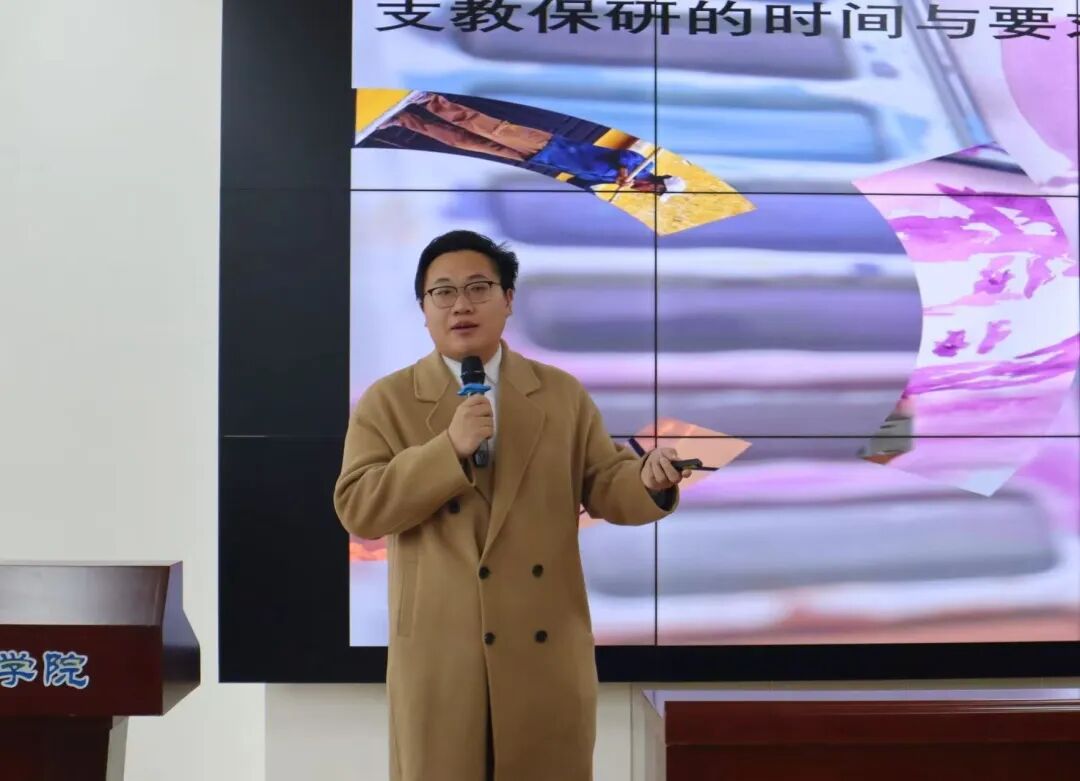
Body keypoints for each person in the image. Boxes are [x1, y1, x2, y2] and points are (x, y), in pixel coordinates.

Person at [333, 230, 690, 781]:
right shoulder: (389, 400)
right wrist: (447, 449)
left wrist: (648, 481)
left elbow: (605, 483)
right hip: (441, 656)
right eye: (443, 292)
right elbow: (360, 507)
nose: (461, 305)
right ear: (424, 310)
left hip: (544, 649)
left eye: (478, 288)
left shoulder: (559, 393)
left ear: (508, 300)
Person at [381, 92, 688, 195]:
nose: (649, 194)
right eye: (656, 192)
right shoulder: (639, 168)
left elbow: (580, 182)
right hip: (546, 144)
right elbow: (625, 156)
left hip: (534, 159)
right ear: (657, 184)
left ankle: (404, 120)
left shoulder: (618, 185)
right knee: (483, 126)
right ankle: (428, 99)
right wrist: (622, 175)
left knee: (462, 142)